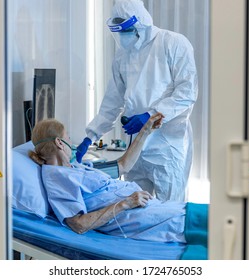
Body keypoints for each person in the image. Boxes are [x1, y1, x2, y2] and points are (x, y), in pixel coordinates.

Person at [76, 0, 198, 202]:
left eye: (127, 30)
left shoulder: (173, 43)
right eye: (120, 31)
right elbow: (113, 101)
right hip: (136, 150)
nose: (123, 36)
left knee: (170, 210)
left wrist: (150, 116)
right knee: (136, 207)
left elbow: (187, 92)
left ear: (141, 24)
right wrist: (91, 135)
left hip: (167, 146)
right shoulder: (123, 56)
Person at [28, 113, 189, 243]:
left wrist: (145, 131)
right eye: (68, 137)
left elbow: (123, 166)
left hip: (145, 207)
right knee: (193, 222)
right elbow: (78, 224)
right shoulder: (57, 178)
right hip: (134, 216)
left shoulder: (73, 168)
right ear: (59, 143)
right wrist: (126, 203)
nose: (71, 141)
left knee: (193, 214)